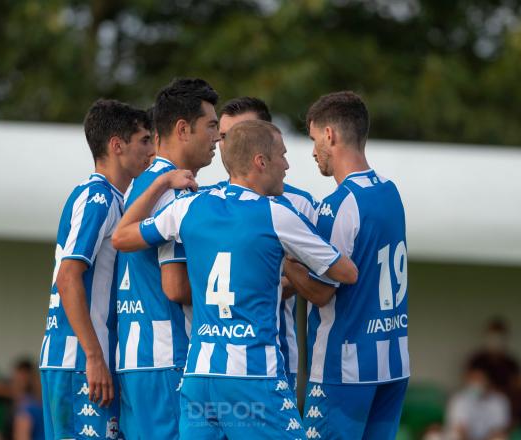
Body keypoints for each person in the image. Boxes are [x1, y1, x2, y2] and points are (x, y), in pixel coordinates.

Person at [113, 120, 358, 439]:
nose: (286, 165)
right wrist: (288, 261)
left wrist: (161, 184)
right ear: (261, 161)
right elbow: (346, 272)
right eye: (282, 155)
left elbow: (121, 237)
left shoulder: (188, 206)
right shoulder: (276, 214)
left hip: (200, 378)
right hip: (252, 377)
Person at [284, 91, 409, 439]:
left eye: (312, 139)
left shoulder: (338, 204)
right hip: (393, 361)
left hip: (345, 367)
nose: (312, 152)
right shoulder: (390, 192)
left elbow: (322, 293)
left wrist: (288, 264)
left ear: (330, 135)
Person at [39, 99, 160, 439]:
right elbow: (68, 276)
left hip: (74, 358)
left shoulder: (111, 198)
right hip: (78, 360)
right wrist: (94, 357)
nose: (152, 151)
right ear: (117, 145)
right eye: (145, 141)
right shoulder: (99, 198)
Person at [113, 78, 220, 440]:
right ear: (182, 129)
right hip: (167, 356)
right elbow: (174, 286)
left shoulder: (146, 182)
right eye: (212, 125)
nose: (218, 137)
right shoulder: (173, 190)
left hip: (141, 356)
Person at [208, 96, 320, 393]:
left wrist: (274, 282)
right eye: (223, 136)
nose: (231, 143)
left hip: (275, 360)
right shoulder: (201, 202)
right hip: (210, 366)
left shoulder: (300, 204)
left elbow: (323, 280)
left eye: (241, 132)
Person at [466, 317, 521, 426]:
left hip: (505, 399)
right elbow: (469, 382)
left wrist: (500, 392)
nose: (495, 340)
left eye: (499, 337)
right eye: (492, 336)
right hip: (481, 399)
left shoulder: (512, 362)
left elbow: (518, 385)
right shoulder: (477, 360)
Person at [444, 364, 511, 440]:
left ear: (488, 381)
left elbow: (499, 430)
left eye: (479, 379)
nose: (475, 383)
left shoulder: (500, 400)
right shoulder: (459, 399)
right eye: (472, 379)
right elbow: (459, 429)